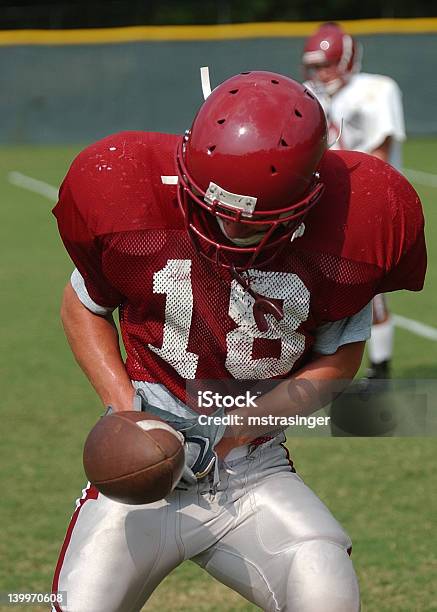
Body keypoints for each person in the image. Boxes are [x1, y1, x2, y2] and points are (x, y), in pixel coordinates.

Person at [51, 70, 425, 612]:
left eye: (250, 222)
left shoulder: (352, 225)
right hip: (147, 451)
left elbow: (339, 358)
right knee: (80, 604)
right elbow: (82, 306)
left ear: (307, 199)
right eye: (210, 206)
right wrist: (127, 410)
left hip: (250, 469)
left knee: (325, 584)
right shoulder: (131, 195)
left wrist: (240, 429)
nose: (226, 228)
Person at [302, 21, 407, 379]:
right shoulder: (310, 93)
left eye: (325, 64)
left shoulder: (377, 90)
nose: (319, 73)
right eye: (314, 66)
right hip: (326, 201)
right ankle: (373, 369)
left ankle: (379, 371)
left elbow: (379, 154)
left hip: (371, 200)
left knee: (365, 288)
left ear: (347, 60)